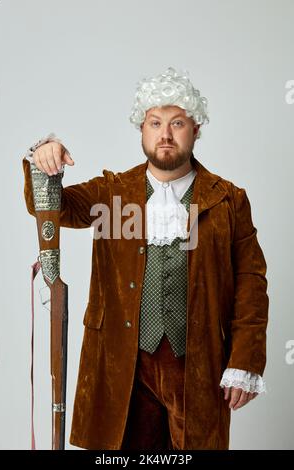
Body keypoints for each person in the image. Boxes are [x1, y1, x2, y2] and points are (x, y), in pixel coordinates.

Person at [22, 67, 269, 450]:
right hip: (120, 367)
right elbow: (50, 209)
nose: (165, 134)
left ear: (196, 129)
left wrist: (246, 359)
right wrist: (43, 157)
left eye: (177, 123)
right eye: (155, 123)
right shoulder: (111, 191)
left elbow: (252, 282)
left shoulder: (229, 200)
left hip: (198, 366)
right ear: (141, 129)